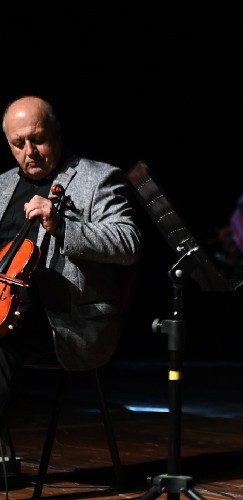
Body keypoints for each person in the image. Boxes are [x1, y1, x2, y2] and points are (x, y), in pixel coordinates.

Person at [0, 95, 141, 429]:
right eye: (18, 144)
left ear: (57, 131)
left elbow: (128, 243)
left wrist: (63, 227)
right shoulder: (3, 184)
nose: (29, 152)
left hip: (66, 318)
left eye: (38, 139)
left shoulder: (100, 179)